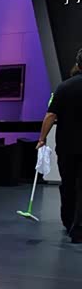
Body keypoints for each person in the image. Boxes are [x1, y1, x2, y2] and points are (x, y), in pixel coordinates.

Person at [38, 48, 82, 244]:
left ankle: (68, 220)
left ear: (78, 64)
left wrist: (42, 138)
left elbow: (50, 115)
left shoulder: (64, 87)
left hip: (67, 146)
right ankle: (79, 228)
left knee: (68, 184)